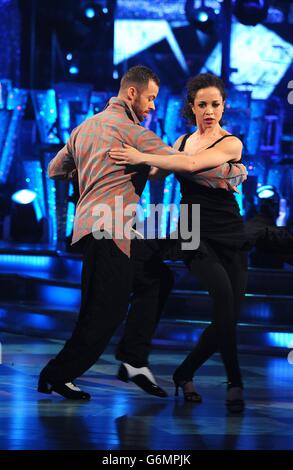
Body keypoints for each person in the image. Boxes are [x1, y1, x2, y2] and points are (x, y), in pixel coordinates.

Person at [38, 67, 247, 401]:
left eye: (216, 104)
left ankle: (136, 360)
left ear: (223, 107)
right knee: (105, 312)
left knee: (156, 279)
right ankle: (57, 375)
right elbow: (180, 165)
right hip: (137, 230)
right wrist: (234, 171)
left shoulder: (84, 128)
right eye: (150, 98)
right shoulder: (139, 134)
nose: (152, 106)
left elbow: (55, 169)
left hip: (199, 230)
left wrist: (94, 174)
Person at [109, 73, 248, 412]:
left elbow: (188, 164)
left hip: (229, 233)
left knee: (229, 315)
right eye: (202, 105)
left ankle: (184, 373)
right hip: (192, 232)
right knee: (224, 304)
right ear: (192, 107)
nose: (209, 111)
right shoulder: (182, 141)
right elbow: (158, 171)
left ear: (223, 106)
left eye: (215, 104)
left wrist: (147, 157)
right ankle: (235, 382)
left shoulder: (231, 144)